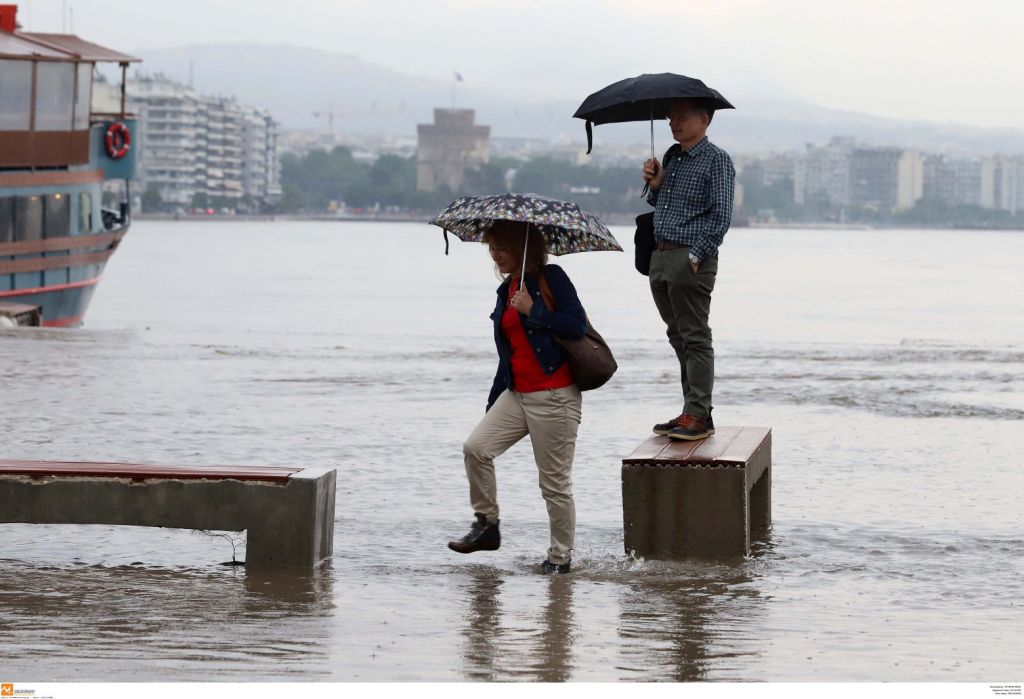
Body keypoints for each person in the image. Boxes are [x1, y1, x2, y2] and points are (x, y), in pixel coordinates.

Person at [447, 221, 587, 574]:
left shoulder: (551, 278)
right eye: (492, 248)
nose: (496, 255)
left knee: (553, 483)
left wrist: (533, 311)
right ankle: (487, 525)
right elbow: (507, 353)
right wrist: (494, 402)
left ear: (524, 249)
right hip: (517, 394)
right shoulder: (505, 289)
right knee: (476, 448)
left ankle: (559, 560)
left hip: (555, 396)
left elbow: (576, 325)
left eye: (503, 248)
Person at [642, 98, 735, 441]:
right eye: (670, 117)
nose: (673, 123)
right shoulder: (672, 156)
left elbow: (722, 215)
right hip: (661, 254)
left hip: (690, 258)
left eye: (681, 117)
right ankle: (693, 411)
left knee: (695, 335)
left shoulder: (717, 160)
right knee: (677, 334)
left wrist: (697, 254)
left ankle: (697, 413)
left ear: (704, 120)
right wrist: (655, 184)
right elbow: (661, 203)